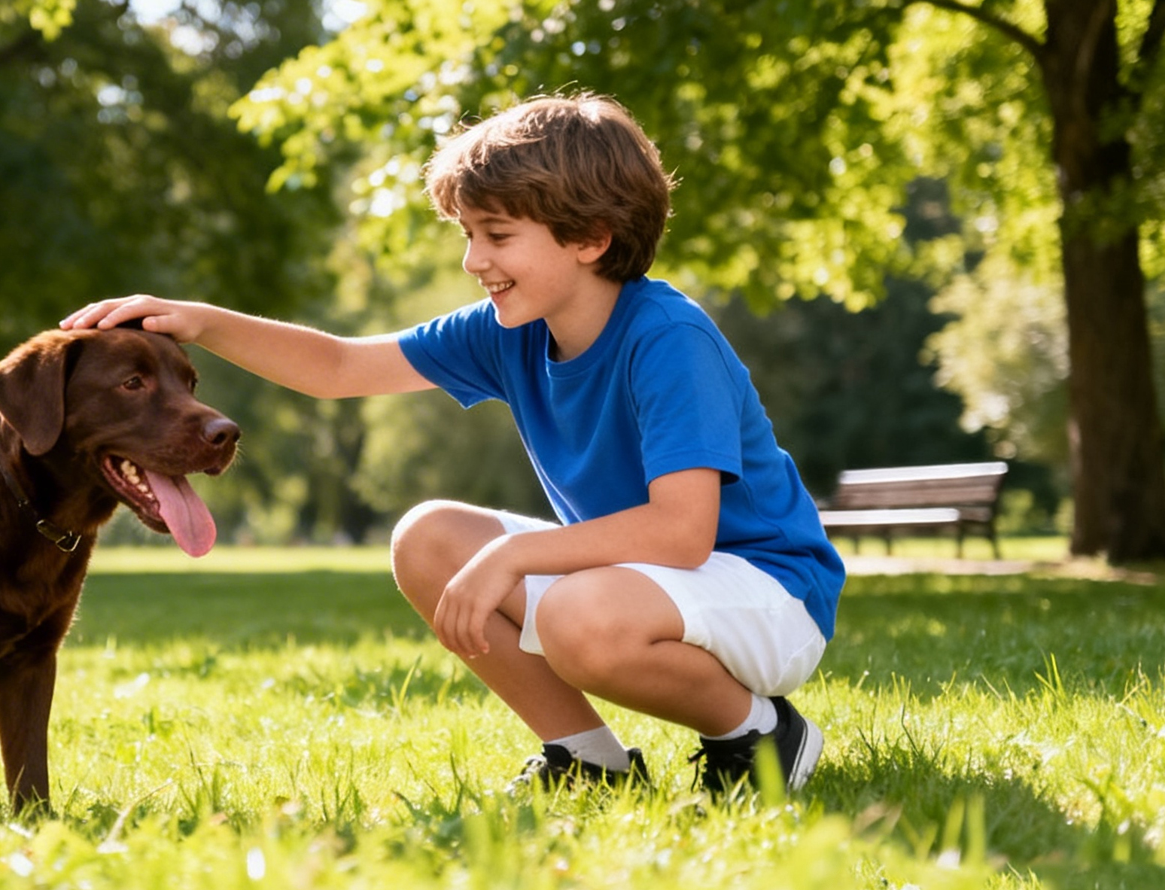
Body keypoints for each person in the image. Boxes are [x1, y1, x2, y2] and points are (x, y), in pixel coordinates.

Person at [60, 92, 844, 795]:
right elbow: (339, 367)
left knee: (576, 615)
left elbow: (681, 532)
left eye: (497, 235)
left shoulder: (667, 338)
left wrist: (513, 555)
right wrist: (200, 322)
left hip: (769, 591)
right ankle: (588, 759)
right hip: (644, 582)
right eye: (469, 234)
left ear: (590, 238)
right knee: (428, 537)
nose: (474, 262)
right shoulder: (510, 331)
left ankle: (759, 735)